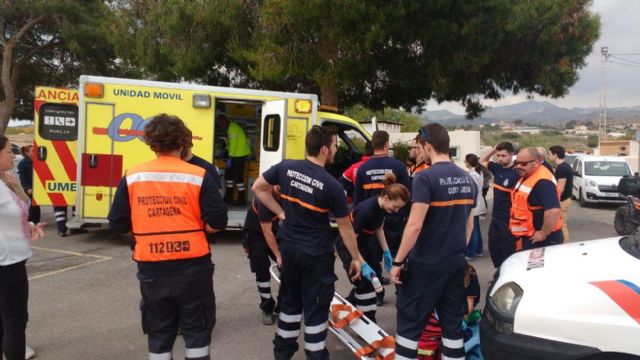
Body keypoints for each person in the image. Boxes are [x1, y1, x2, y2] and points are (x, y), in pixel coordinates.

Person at [108, 114, 228, 360]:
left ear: (152, 145)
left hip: (151, 268)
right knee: (196, 331)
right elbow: (218, 221)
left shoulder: (133, 176)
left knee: (160, 333)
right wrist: (198, 231)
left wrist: (142, 238)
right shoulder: (198, 174)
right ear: (182, 143)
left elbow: (117, 222)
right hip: (193, 266)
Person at [252, 125, 363, 360]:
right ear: (324, 149)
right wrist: (355, 258)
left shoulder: (286, 167)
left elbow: (258, 188)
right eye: (334, 146)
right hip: (316, 255)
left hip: (289, 250)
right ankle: (314, 353)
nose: (336, 150)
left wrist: (281, 213)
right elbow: (345, 228)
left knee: (290, 302)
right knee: (316, 307)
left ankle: (282, 353)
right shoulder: (332, 186)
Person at [390, 123, 476, 360]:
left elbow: (415, 225)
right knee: (452, 328)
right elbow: (468, 226)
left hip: (426, 264)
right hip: (455, 263)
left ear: (428, 146)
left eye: (419, 147)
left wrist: (397, 262)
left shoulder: (425, 178)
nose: (419, 152)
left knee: (409, 326)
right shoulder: (468, 180)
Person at [335, 173, 409, 323]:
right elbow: (350, 240)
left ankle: (348, 303)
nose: (396, 211)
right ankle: (368, 321)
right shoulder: (366, 211)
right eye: (395, 207)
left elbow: (379, 228)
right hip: (348, 245)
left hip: (364, 242)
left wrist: (386, 251)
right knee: (363, 282)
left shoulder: (383, 207)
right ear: (387, 198)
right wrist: (361, 263)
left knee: (375, 275)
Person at [1, 135, 45, 360]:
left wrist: (28, 226)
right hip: (6, 264)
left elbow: (19, 209)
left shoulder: (3, 182)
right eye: (9, 151)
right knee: (15, 320)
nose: (13, 155)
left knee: (9, 319)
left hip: (13, 261)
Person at [354, 130, 411, 304]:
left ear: (372, 145)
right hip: (395, 219)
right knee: (398, 258)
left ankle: (377, 293)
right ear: (387, 145)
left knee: (373, 258)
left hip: (369, 221)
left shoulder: (362, 168)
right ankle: (402, 292)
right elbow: (407, 195)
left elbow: (358, 198)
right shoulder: (399, 166)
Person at [242, 186, 283, 325]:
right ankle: (267, 308)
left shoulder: (287, 196)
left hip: (275, 231)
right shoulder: (264, 200)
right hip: (256, 235)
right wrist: (278, 255)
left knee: (288, 268)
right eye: (279, 186)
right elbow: (267, 232)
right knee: (261, 270)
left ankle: (282, 305)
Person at [510, 147, 563, 250]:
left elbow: (553, 211)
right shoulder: (528, 175)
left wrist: (543, 234)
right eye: (517, 162)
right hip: (528, 237)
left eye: (524, 164)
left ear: (536, 163)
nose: (518, 166)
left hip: (542, 241)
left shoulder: (543, 182)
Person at [479, 142, 519, 269]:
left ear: (512, 155)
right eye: (498, 155)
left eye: (504, 156)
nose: (500, 158)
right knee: (493, 246)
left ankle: (507, 273)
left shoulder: (516, 173)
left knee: (508, 250)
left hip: (509, 219)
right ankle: (498, 271)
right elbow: (481, 161)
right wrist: (493, 150)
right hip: (496, 218)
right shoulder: (497, 168)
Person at [217, 114, 251, 205]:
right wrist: (225, 150)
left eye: (220, 123)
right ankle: (229, 197)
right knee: (229, 176)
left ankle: (241, 199)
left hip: (239, 156)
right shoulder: (229, 128)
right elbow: (231, 144)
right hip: (235, 155)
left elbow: (234, 144)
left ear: (224, 120)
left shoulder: (233, 128)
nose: (220, 125)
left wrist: (230, 156)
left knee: (238, 178)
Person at [464, 154, 487, 260]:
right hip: (479, 201)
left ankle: (471, 253)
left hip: (475, 203)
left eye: (465, 161)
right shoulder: (479, 172)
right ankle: (479, 250)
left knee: (472, 229)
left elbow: (472, 189)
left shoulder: (472, 174)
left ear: (468, 162)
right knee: (476, 228)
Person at [549, 145, 573, 243]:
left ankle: (565, 247)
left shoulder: (562, 168)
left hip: (562, 200)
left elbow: (560, 189)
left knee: (562, 225)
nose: (548, 156)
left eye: (549, 154)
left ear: (555, 155)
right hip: (565, 199)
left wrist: (553, 201)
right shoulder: (563, 166)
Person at [17, 145, 40, 224]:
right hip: (29, 188)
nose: (35, 152)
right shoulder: (23, 163)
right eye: (32, 151)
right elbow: (23, 178)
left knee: (36, 204)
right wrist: (27, 188)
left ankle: (36, 221)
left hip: (36, 187)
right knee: (33, 205)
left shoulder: (37, 161)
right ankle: (30, 221)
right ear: (26, 153)